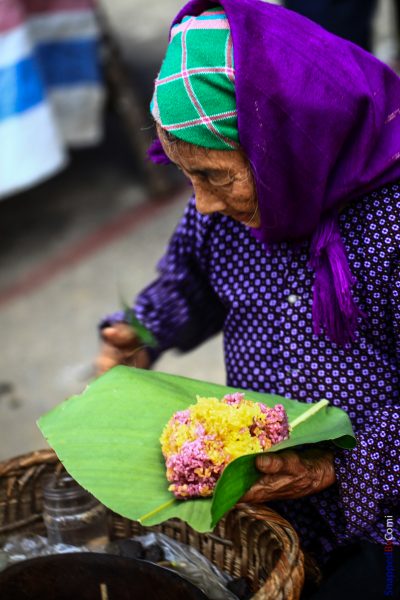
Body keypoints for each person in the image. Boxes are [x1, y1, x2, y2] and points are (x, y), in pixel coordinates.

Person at [96, 1, 400, 597]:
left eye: (213, 175)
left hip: (380, 509)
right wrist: (145, 329)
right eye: (186, 175)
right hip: (274, 501)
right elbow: (191, 278)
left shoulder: (389, 225)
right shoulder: (228, 209)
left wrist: (339, 467)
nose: (202, 202)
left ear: (288, 151)